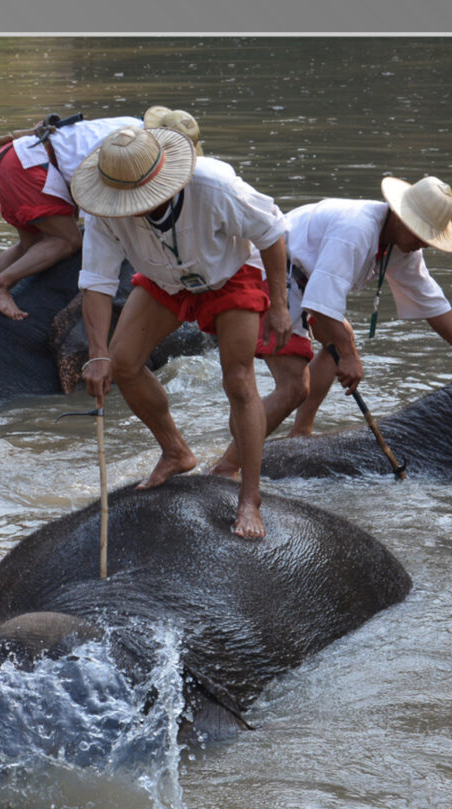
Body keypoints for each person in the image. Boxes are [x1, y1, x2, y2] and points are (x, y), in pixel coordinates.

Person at [70, 123, 291, 539]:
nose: (131, 208)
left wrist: (279, 305)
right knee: (122, 362)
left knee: (239, 381)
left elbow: (272, 232)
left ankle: (249, 497)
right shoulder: (104, 209)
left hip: (229, 273)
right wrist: (96, 353)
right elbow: (97, 282)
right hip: (163, 281)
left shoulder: (214, 185)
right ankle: (175, 450)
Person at [211, 174, 452, 476]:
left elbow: (431, 300)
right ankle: (227, 467)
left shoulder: (401, 247)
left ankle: (300, 432)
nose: (423, 244)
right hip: (267, 275)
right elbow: (320, 301)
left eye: (428, 237)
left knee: (340, 340)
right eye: (420, 233)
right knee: (294, 386)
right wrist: (348, 354)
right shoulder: (356, 229)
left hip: (301, 281)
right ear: (400, 216)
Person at [0, 112, 142, 320]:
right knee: (67, 240)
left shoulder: (130, 124)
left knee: (31, 246)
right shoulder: (136, 145)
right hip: (31, 165)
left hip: (13, 156)